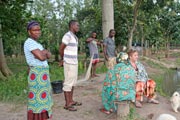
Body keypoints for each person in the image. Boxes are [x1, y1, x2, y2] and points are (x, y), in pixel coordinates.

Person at [24, 21, 53, 120]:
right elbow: (41, 57)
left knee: (43, 98)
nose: (38, 32)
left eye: (39, 30)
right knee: (37, 99)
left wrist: (43, 53)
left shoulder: (37, 44)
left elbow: (49, 55)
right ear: (29, 32)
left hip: (42, 75)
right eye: (35, 30)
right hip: (37, 75)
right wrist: (43, 53)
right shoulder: (29, 42)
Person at [59, 20, 82, 111]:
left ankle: (71, 101)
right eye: (77, 25)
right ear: (72, 25)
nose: (78, 27)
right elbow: (61, 49)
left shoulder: (74, 37)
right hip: (69, 62)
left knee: (72, 83)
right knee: (68, 83)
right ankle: (67, 104)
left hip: (74, 62)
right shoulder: (67, 35)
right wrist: (62, 59)